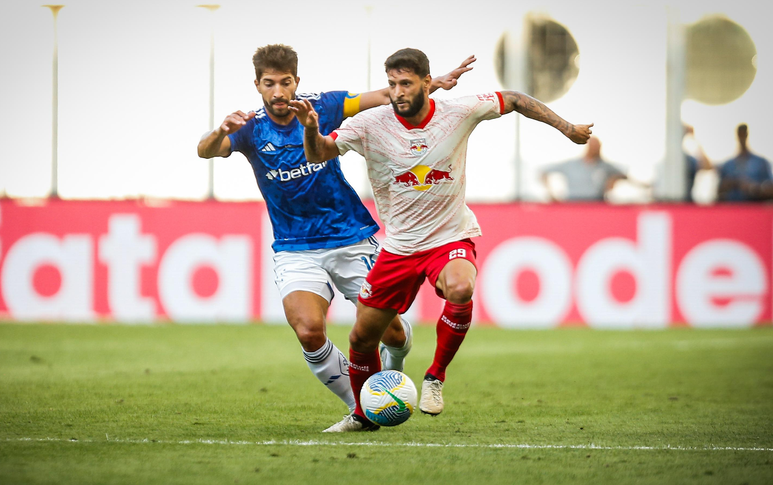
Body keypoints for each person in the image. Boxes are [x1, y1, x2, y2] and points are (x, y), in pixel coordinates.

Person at [290, 47, 593, 432]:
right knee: (362, 338)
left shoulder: (458, 112)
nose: (397, 92)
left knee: (461, 287)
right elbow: (320, 154)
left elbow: (514, 99)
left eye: (405, 83)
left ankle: (435, 377)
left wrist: (567, 128)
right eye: (392, 84)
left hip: (449, 237)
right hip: (399, 247)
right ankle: (364, 416)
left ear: (426, 83)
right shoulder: (369, 124)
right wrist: (310, 128)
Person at [196, 44, 475, 415]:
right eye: (269, 84)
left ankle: (398, 355)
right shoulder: (247, 126)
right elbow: (205, 151)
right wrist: (219, 132)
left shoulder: (324, 105)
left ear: (297, 81)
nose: (278, 92)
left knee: (388, 334)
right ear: (257, 85)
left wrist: (434, 84)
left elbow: (385, 97)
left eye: (285, 82)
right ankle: (364, 407)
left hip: (350, 237)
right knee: (310, 331)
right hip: (295, 247)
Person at [539, 136, 626, 202]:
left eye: (597, 146)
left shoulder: (604, 166)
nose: (595, 149)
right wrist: (550, 193)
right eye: (593, 146)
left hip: (597, 202)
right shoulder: (571, 164)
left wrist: (613, 180)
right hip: (574, 202)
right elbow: (543, 171)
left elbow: (623, 174)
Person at [717, 124, 773, 202]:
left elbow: (770, 189)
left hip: (755, 208)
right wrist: (729, 184)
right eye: (740, 134)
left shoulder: (761, 163)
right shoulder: (728, 165)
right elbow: (718, 192)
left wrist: (753, 188)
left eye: (744, 134)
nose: (742, 137)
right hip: (732, 209)